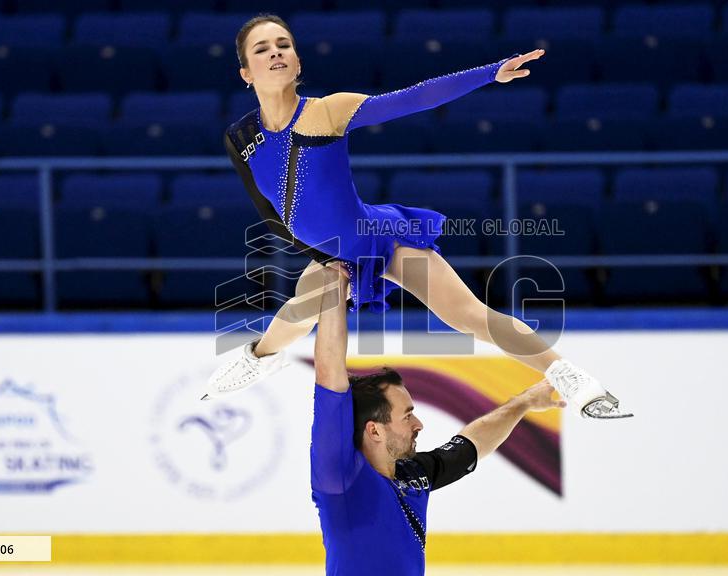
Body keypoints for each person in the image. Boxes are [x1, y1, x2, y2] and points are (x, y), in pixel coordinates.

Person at [206, 14, 631, 419]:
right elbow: (268, 207)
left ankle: (569, 376)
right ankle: (257, 360)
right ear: (246, 72)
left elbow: (415, 98)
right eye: (262, 49)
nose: (276, 52)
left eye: (284, 45)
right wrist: (321, 256)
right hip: (331, 254)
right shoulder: (241, 137)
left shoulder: (328, 112)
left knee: (468, 316)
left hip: (381, 239)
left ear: (298, 61)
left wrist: (491, 73)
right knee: (299, 310)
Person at [310, 263, 565, 575]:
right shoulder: (340, 477)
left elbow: (471, 445)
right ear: (374, 430)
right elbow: (329, 371)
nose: (419, 425)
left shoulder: (411, 475)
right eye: (407, 417)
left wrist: (524, 402)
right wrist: (335, 280)